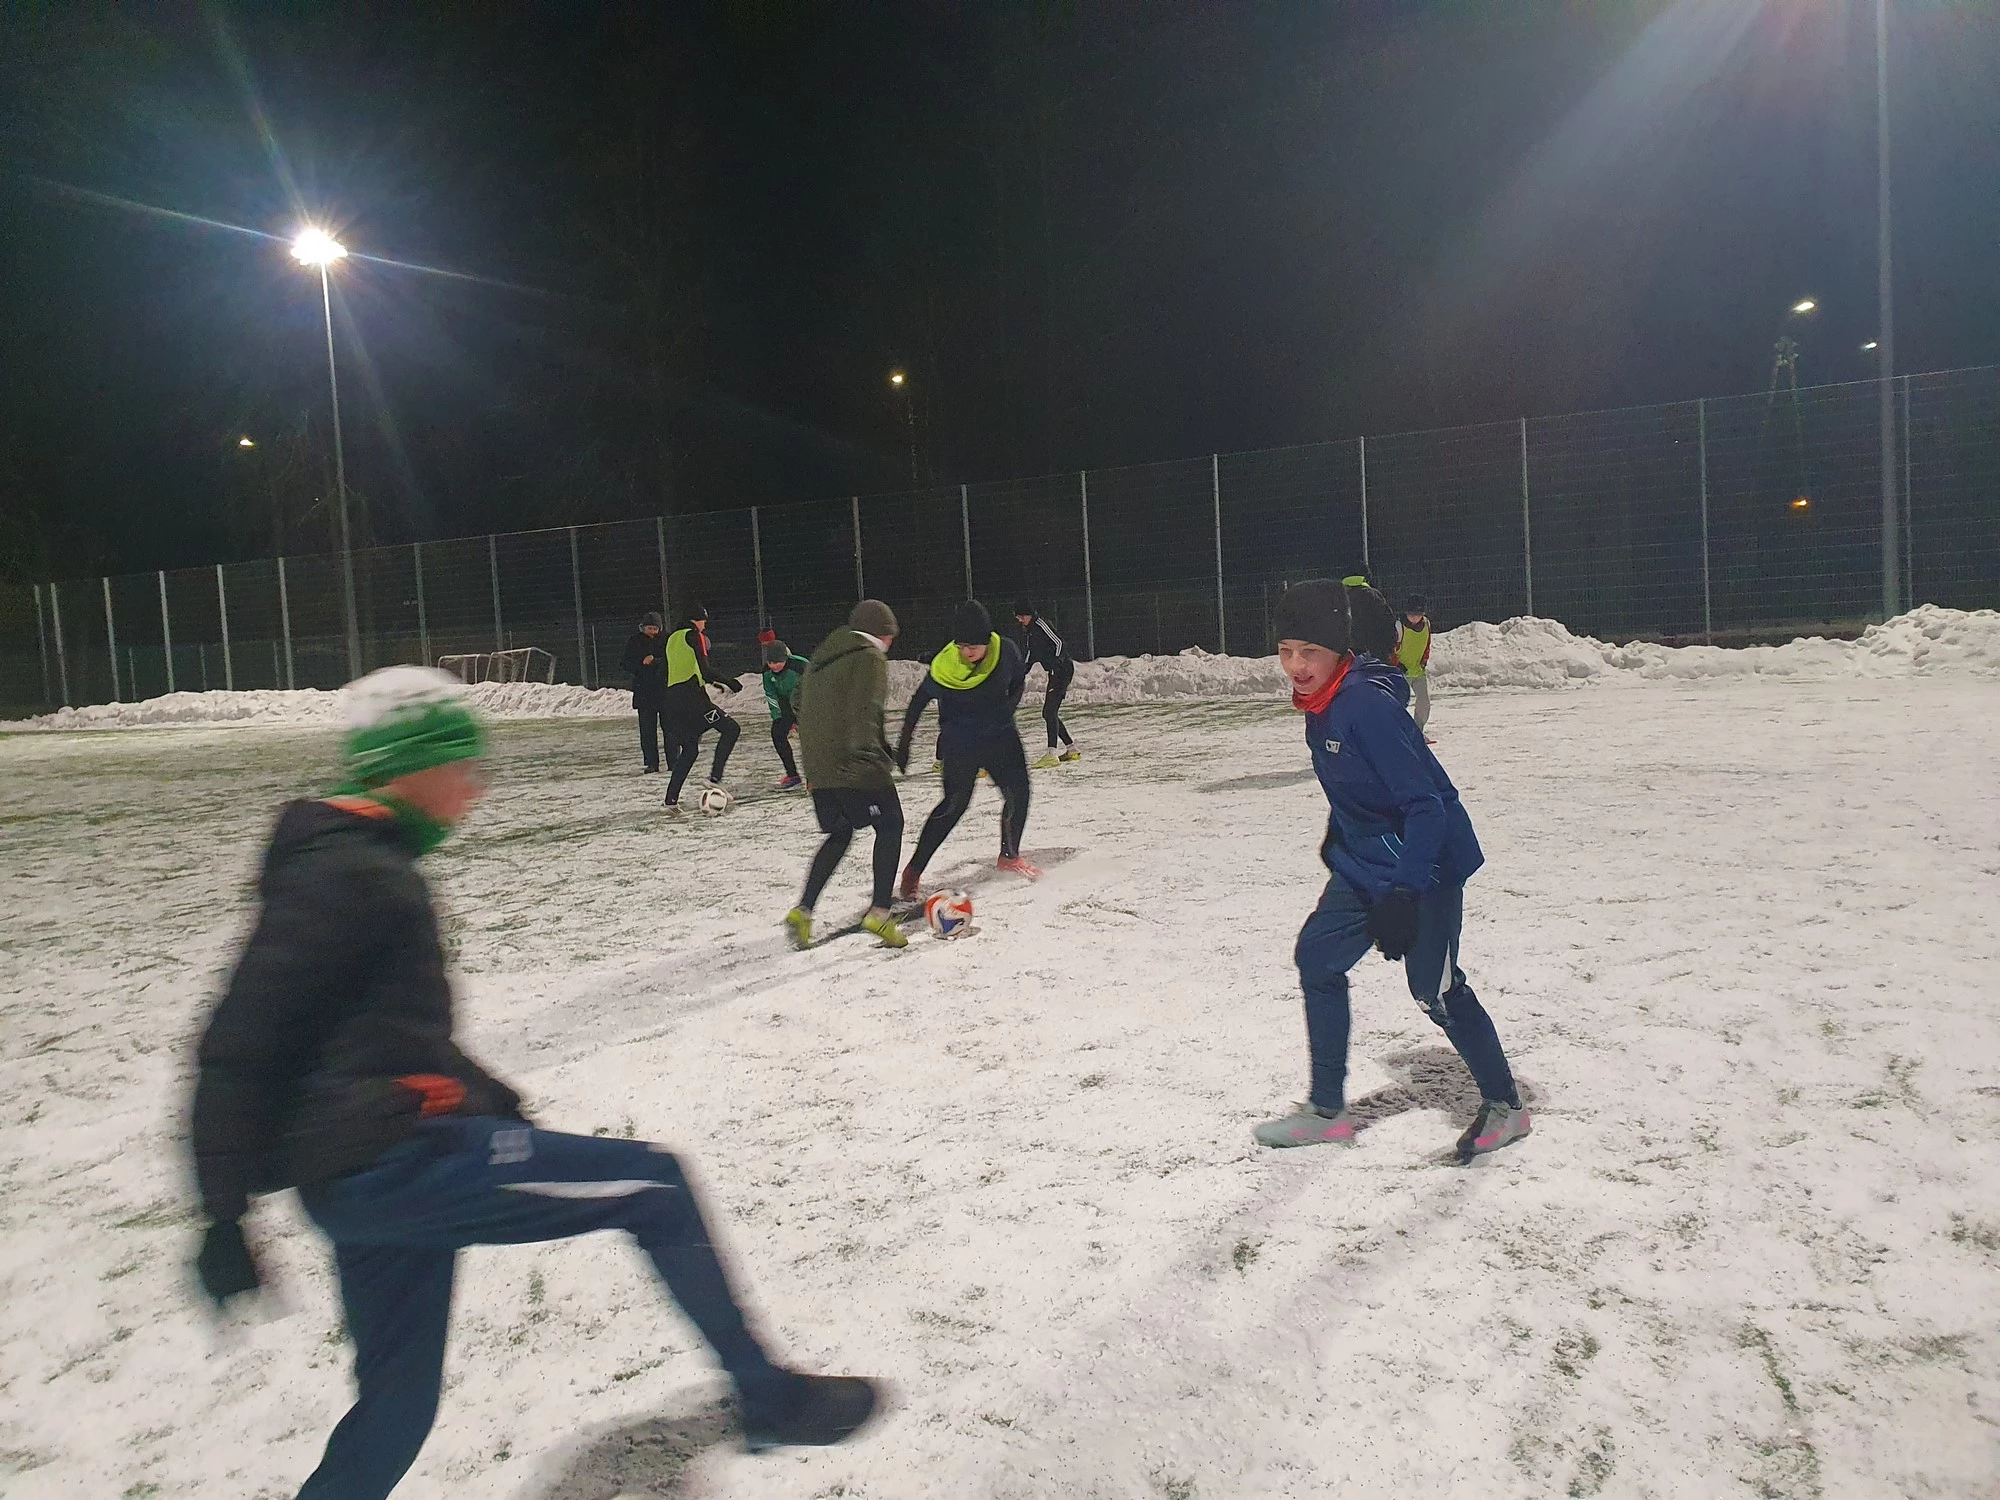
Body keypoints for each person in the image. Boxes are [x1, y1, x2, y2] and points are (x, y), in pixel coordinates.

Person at [188, 666, 879, 1499]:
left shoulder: (358, 863)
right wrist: (221, 1216)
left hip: (362, 1176)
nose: (474, 788)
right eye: (463, 767)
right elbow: (240, 1044)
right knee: (656, 1185)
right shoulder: (348, 874)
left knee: (398, 1405)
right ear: (412, 765)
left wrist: (490, 1098)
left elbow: (391, 1036)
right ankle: (770, 1400)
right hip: (398, 1161)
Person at [1253, 580, 1529, 1163]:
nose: (1296, 666)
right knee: (1317, 959)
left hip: (1425, 864)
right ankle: (1326, 1111)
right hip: (1367, 863)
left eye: (1310, 652)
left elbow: (1425, 806)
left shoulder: (1366, 708)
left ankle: (1507, 1106)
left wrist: (1405, 891)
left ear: (1339, 651)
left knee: (1435, 991)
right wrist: (1341, 839)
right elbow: (1358, 790)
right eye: (1286, 651)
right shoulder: (1322, 703)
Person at [784, 601, 906, 950]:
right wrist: (873, 758)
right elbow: (867, 711)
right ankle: (879, 912)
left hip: (818, 768)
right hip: (855, 763)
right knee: (891, 824)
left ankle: (803, 910)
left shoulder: (821, 658)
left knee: (840, 832)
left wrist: (823, 737)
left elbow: (797, 701)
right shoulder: (869, 658)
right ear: (881, 633)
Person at [894, 599, 1036, 891]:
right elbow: (917, 703)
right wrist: (904, 745)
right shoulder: (945, 667)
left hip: (1001, 737)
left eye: (974, 646)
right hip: (960, 743)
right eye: (962, 646)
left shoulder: (1005, 651)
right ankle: (913, 871)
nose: (967, 652)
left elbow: (1018, 681)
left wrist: (1007, 709)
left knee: (1019, 792)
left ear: (987, 641)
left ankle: (1009, 856)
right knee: (954, 806)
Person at [661, 604, 743, 810]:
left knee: (689, 749)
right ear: (695, 620)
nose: (704, 625)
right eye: (703, 621)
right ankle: (715, 778)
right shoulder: (694, 635)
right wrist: (730, 682)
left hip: (672, 701)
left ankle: (670, 800)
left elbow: (683, 668)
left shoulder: (672, 638)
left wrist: (711, 683)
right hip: (693, 700)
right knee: (731, 729)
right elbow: (705, 669)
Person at [1012, 601, 1078, 768]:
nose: (1019, 620)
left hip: (1062, 670)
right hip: (1056, 672)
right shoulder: (1030, 632)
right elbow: (1030, 655)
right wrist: (1020, 673)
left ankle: (1051, 754)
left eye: (1021, 616)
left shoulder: (1041, 625)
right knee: (1049, 713)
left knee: (1049, 712)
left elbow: (1059, 643)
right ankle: (1071, 749)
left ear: (1029, 614)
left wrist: (1057, 662)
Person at [619, 611, 671, 773]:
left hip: (664, 691)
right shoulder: (634, 641)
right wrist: (641, 663)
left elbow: (672, 660)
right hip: (644, 692)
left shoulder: (667, 640)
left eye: (655, 629)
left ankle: (673, 761)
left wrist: (656, 661)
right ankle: (651, 763)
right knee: (647, 731)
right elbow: (625, 663)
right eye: (649, 628)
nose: (652, 632)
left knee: (670, 729)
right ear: (643, 628)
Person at [760, 631, 811, 791]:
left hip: (807, 705)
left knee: (810, 740)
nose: (774, 666)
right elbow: (771, 694)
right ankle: (792, 775)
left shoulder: (801, 666)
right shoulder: (767, 673)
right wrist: (777, 717)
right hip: (786, 706)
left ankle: (814, 778)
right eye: (771, 662)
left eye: (778, 662)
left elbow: (814, 687)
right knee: (777, 734)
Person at [1396, 594, 1435, 736]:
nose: (1414, 618)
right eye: (1411, 614)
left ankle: (1417, 731)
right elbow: (1390, 648)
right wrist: (1397, 664)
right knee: (1399, 704)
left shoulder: (1426, 624)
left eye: (1418, 615)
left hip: (1418, 671)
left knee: (1424, 703)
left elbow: (1426, 644)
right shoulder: (1399, 626)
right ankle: (1399, 731)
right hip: (1400, 673)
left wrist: (1424, 660)